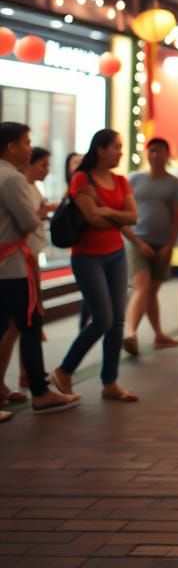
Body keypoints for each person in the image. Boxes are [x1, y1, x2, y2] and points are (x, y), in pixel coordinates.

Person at [52, 129, 141, 402]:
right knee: (102, 318)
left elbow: (133, 216)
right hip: (87, 256)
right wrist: (114, 216)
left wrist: (109, 212)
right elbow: (92, 218)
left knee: (117, 321)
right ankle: (65, 369)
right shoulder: (82, 179)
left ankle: (110, 382)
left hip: (115, 254)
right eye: (115, 147)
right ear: (100, 150)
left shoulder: (121, 181)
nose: (120, 152)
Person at [0, 122, 80, 417]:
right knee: (29, 325)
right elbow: (27, 222)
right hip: (12, 267)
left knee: (20, 326)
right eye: (26, 142)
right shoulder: (12, 178)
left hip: (8, 264)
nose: (29, 148)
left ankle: (29, 387)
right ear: (11, 146)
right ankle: (41, 392)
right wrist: (38, 218)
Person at [124, 138, 178, 354]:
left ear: (168, 155)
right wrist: (137, 242)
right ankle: (130, 332)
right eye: (152, 151)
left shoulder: (174, 183)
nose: (155, 156)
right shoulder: (134, 179)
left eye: (160, 151)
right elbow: (125, 212)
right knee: (142, 285)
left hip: (162, 243)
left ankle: (158, 335)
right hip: (137, 240)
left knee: (152, 289)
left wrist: (171, 244)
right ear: (146, 154)